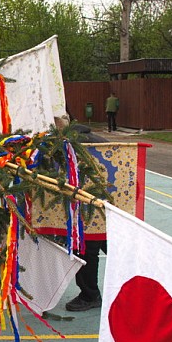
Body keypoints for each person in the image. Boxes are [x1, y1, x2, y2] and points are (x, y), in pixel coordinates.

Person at [63, 124, 109, 312]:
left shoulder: (72, 144)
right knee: (112, 246)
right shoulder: (101, 141)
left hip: (88, 206)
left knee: (86, 249)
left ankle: (89, 295)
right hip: (108, 205)